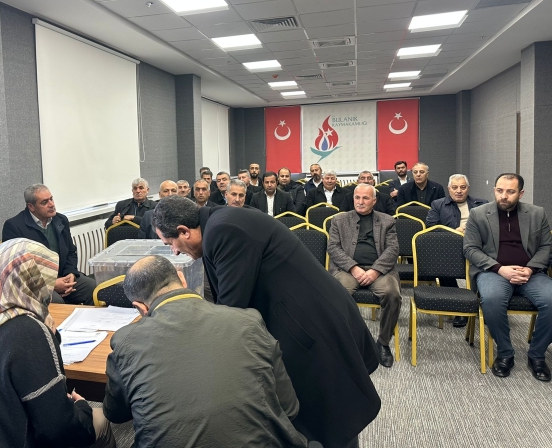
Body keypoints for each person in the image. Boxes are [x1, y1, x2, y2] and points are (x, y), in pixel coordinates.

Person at [152, 196, 380, 448]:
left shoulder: (223, 230)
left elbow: (231, 311)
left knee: (334, 413)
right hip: (304, 315)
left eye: (170, 243)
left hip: (312, 324)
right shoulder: (220, 221)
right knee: (330, 412)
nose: (174, 251)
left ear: (184, 231)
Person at [0, 239, 115, 447]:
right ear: (30, 282)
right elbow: (60, 430)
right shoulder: (28, 330)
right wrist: (83, 408)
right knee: (100, 420)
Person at [103, 255, 308, 448]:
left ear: (140, 307)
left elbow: (114, 414)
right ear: (182, 278)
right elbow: (290, 408)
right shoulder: (249, 321)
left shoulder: (125, 341)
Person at [463, 173, 552, 382]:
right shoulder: (478, 214)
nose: (504, 196)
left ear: (520, 193)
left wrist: (530, 269)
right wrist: (500, 268)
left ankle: (537, 355)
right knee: (492, 300)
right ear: (494, 190)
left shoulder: (537, 213)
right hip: (494, 272)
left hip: (530, 273)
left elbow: (546, 247)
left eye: (510, 192)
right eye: (499, 190)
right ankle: (505, 353)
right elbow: (470, 248)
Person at [327, 184, 402, 368]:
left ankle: (383, 343)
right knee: (336, 295)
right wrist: (354, 268)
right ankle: (344, 342)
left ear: (374, 201)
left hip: (380, 271)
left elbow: (393, 249)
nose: (360, 202)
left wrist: (375, 271)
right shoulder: (339, 220)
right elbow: (333, 248)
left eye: (365, 198)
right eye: (357, 197)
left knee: (392, 294)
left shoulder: (387, 221)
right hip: (348, 270)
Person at [2, 185, 97, 305]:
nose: (51, 204)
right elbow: (16, 268)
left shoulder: (61, 220)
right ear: (31, 207)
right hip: (35, 285)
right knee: (57, 302)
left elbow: (70, 251)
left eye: (51, 199)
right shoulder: (14, 226)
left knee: (94, 288)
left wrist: (71, 273)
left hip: (63, 275)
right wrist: (51, 284)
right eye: (44, 202)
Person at [426, 174, 488, 327]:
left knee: (485, 268)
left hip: (478, 246)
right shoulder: (438, 204)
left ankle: (481, 305)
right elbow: (431, 228)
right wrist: (454, 232)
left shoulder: (482, 204)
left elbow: (492, 227)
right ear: (449, 189)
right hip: (450, 248)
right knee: (442, 265)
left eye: (462, 187)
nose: (459, 191)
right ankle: (460, 307)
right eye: (455, 187)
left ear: (468, 188)